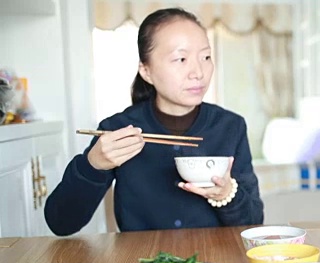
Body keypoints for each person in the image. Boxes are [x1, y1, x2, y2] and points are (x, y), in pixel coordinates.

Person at [45, 8, 264, 236]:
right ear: (146, 71)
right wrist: (93, 165)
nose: (198, 72)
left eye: (206, 57)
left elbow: (254, 222)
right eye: (181, 59)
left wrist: (227, 194)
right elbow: (61, 223)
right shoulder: (118, 129)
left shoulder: (230, 126)